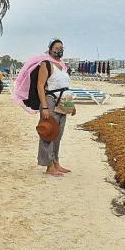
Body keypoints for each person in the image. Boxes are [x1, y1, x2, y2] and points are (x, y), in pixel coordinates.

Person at [36, 39, 75, 176]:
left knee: (58, 135)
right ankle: (49, 166)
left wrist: (71, 106)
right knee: (48, 133)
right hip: (50, 101)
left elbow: (65, 87)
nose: (60, 50)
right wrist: (45, 107)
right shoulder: (46, 64)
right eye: (57, 48)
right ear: (50, 49)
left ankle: (56, 163)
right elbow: (40, 86)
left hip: (63, 102)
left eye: (61, 48)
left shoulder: (62, 66)